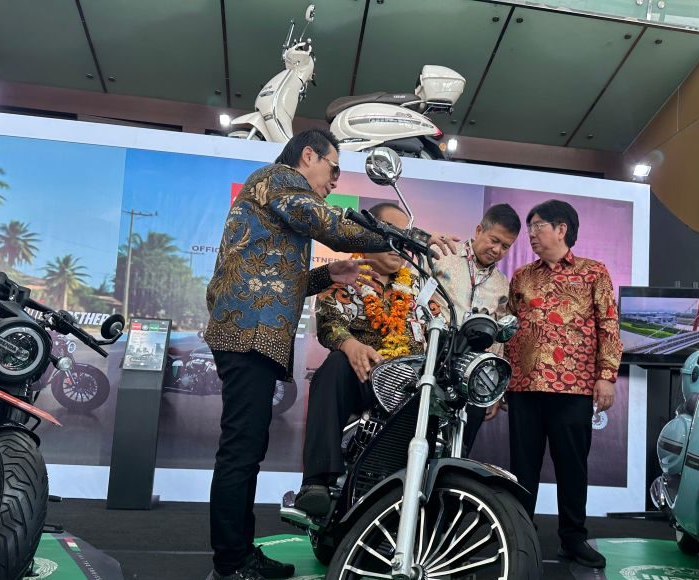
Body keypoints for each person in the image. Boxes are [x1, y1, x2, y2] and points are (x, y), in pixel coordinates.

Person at [203, 129, 457, 580]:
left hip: (253, 336)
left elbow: (280, 280)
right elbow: (333, 226)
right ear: (308, 155)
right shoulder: (279, 179)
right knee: (240, 450)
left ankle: (240, 552)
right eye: (333, 168)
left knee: (248, 449)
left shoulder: (276, 199)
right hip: (247, 335)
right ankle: (231, 562)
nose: (336, 180)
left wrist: (327, 275)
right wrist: (411, 237)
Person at [504, 199, 622, 570]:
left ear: (561, 229)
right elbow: (508, 326)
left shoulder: (593, 273)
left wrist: (606, 376)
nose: (531, 233)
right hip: (524, 387)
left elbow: (608, 326)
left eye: (538, 225)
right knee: (522, 469)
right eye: (530, 227)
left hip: (573, 387)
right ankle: (521, 539)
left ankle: (573, 539)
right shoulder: (522, 276)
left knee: (572, 467)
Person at [295, 202, 425, 515]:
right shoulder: (347, 274)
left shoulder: (420, 285)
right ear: (368, 235)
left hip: (413, 386)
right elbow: (329, 321)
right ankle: (317, 482)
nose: (399, 243)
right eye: (391, 234)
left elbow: (438, 327)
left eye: (404, 236)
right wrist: (350, 345)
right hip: (365, 377)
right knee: (335, 366)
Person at [427, 204, 520, 455]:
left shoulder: (502, 284)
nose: (497, 250)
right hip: (432, 362)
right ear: (479, 230)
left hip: (474, 374)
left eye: (506, 246)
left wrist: (493, 389)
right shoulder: (441, 255)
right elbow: (415, 299)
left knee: (460, 449)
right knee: (421, 438)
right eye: (494, 240)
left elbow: (499, 339)